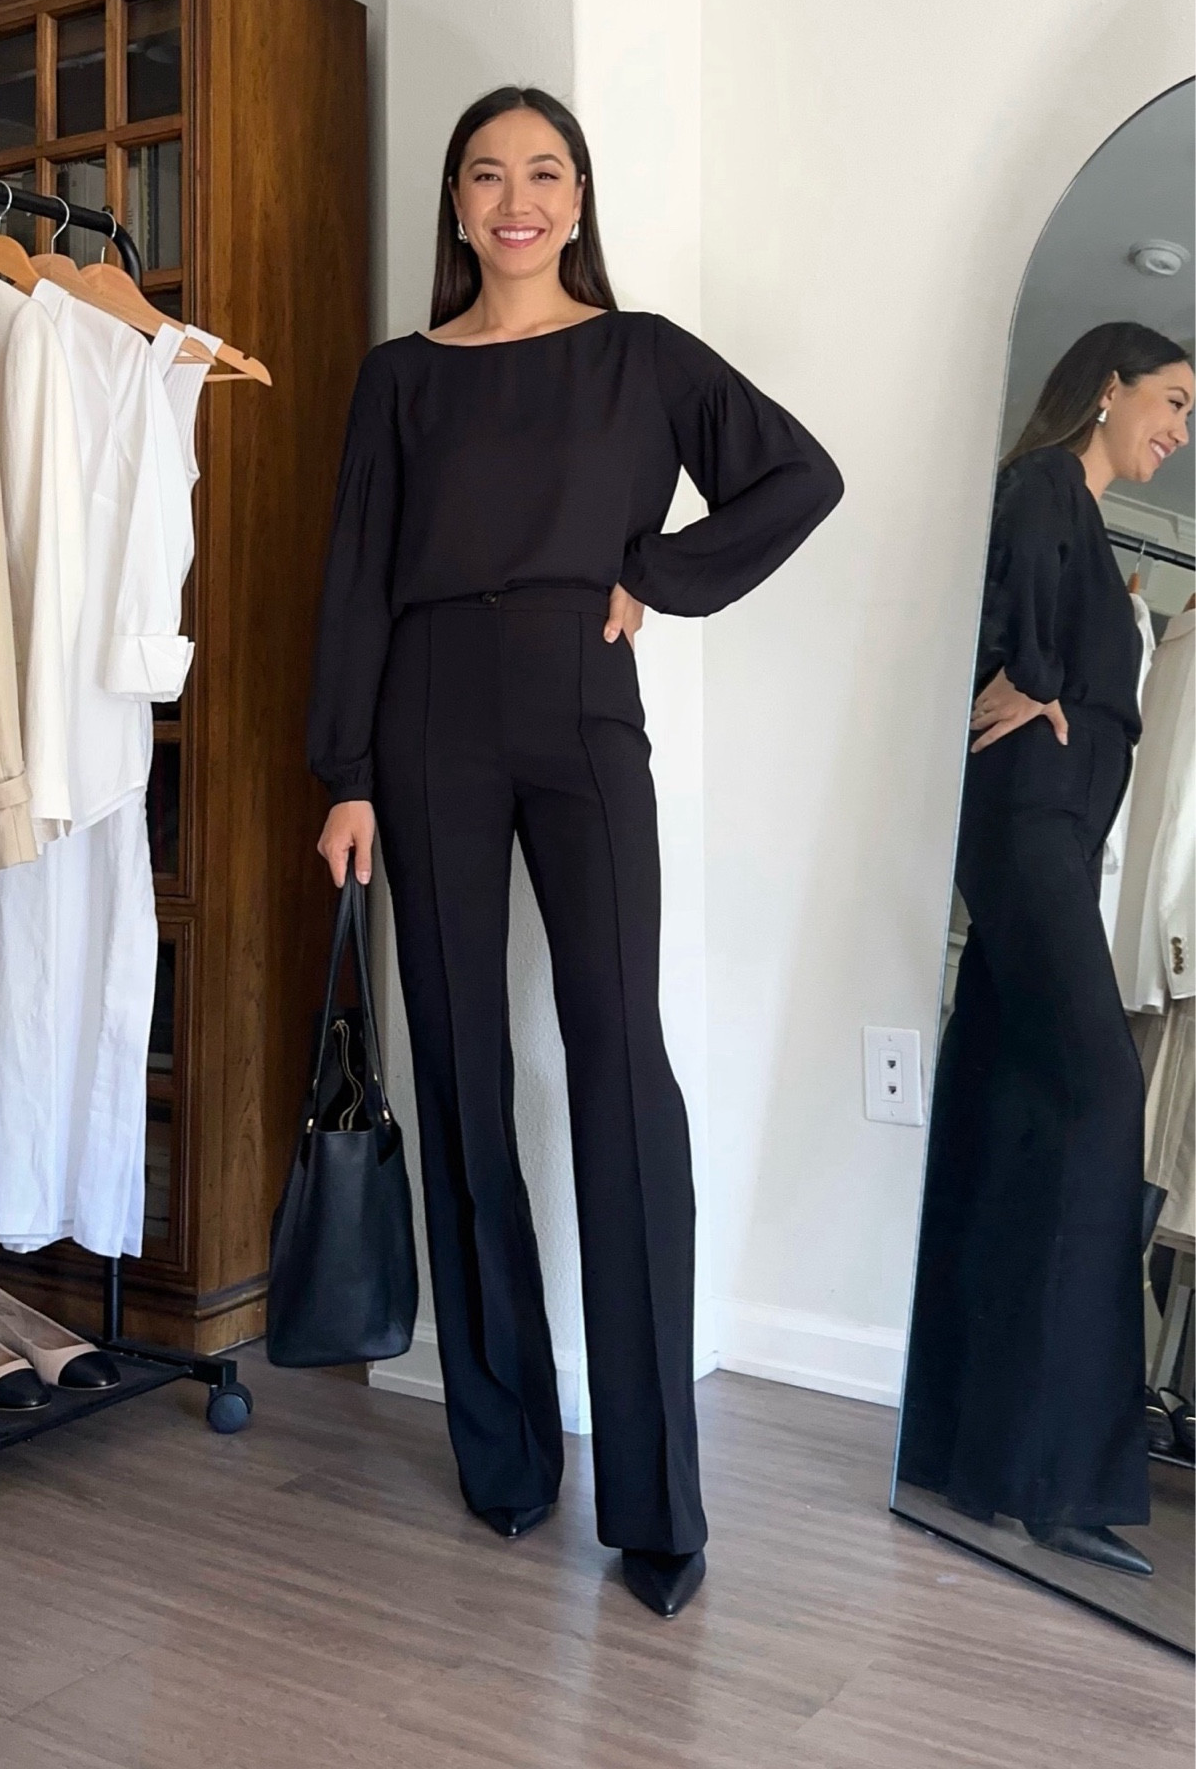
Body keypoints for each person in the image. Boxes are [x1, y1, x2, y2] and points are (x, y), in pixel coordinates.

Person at [307, 85, 842, 1618]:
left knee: (618, 1060)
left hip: (581, 707)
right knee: (466, 1068)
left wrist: (651, 576)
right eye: (488, 175)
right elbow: (351, 570)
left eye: (544, 173)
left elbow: (797, 476)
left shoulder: (644, 357)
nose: (516, 199)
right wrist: (341, 768)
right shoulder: (400, 378)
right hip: (424, 721)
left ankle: (658, 1501)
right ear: (457, 206)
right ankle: (504, 1453)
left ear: (581, 197)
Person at [899, 323, 1193, 1579]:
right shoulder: (1040, 489)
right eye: (1172, 400)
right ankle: (1059, 1476)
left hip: (1050, 846)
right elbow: (1003, 620)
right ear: (1109, 385)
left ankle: (953, 1441)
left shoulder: (1084, 523)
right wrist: (1032, 676)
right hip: (1024, 831)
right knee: (1098, 1097)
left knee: (1002, 1113)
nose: (1178, 428)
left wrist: (1061, 676)